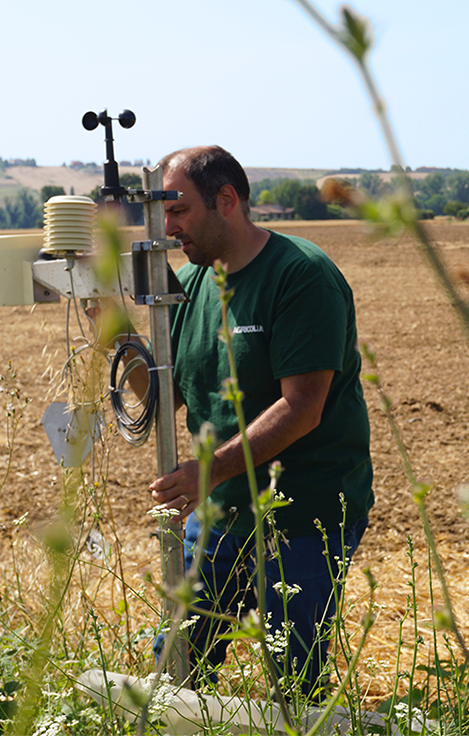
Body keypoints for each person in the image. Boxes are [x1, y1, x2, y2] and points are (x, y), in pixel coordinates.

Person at [144, 145, 373, 697]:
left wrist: (210, 471)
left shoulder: (300, 275)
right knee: (177, 663)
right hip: (222, 506)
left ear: (226, 200)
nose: (169, 228)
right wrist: (103, 315)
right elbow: (161, 395)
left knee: (293, 675)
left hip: (304, 512)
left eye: (178, 211)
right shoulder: (195, 283)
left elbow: (303, 407)